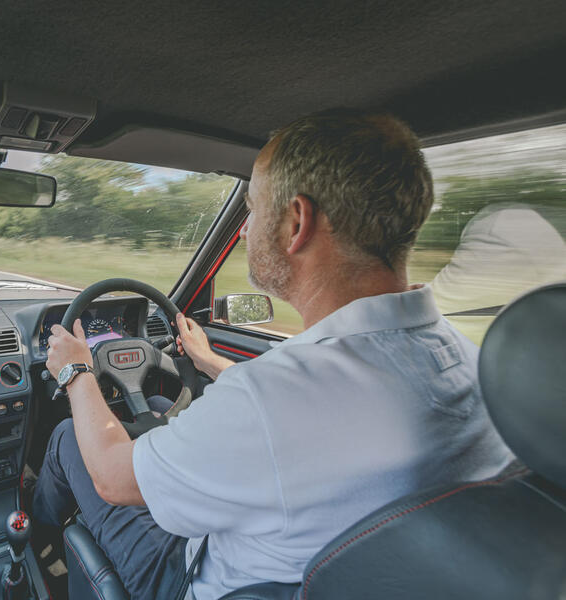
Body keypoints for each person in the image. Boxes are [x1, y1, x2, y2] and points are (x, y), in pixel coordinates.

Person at [32, 109, 513, 599]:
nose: (243, 231)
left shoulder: (272, 401)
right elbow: (306, 412)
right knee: (156, 410)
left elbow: (113, 477)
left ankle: (32, 549)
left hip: (197, 581)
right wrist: (211, 363)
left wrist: (75, 371)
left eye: (253, 209)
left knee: (72, 436)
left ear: (296, 222)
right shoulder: (468, 359)